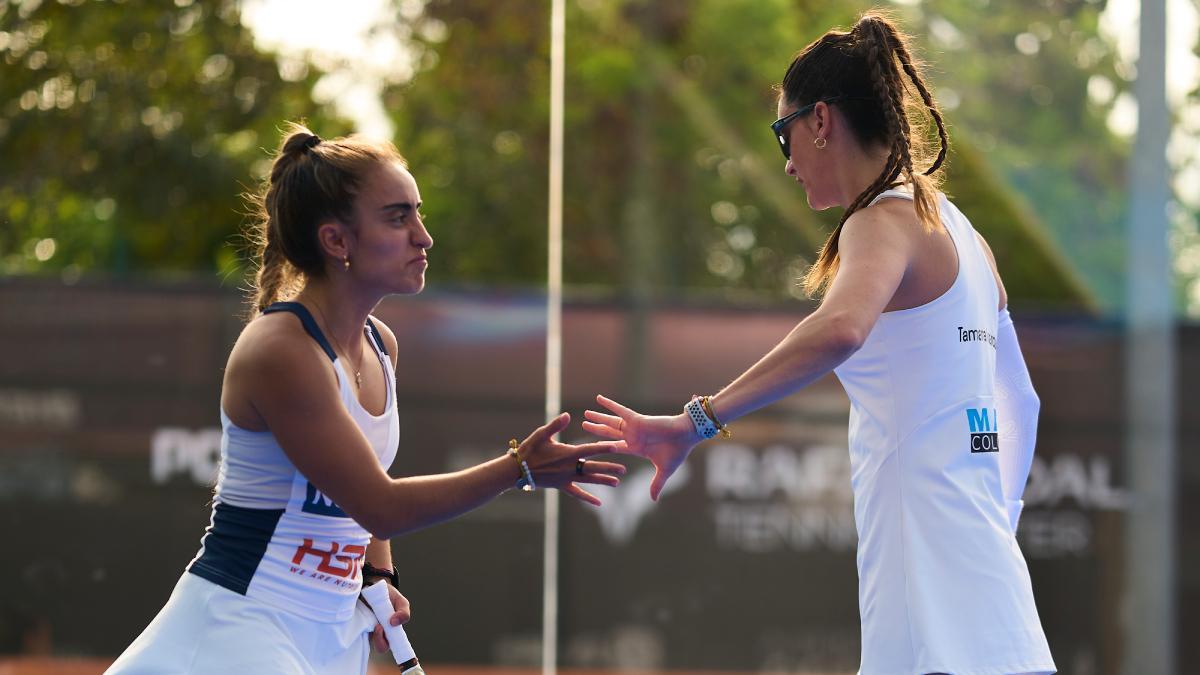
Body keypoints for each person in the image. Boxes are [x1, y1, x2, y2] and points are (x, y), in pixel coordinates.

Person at [584, 11, 1055, 675]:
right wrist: (989, 515)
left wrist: (696, 420)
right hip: (998, 615)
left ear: (822, 121)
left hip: (936, 630)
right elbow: (1020, 401)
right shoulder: (965, 236)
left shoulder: (882, 220)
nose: (787, 163)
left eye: (785, 133)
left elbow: (840, 327)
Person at [107, 124, 626, 674]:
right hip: (238, 626)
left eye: (417, 214)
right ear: (337, 241)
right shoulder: (282, 350)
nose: (423, 237)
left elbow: (361, 505)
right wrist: (517, 468)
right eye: (398, 217)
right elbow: (380, 504)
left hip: (331, 634)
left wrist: (378, 577)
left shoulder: (382, 347)